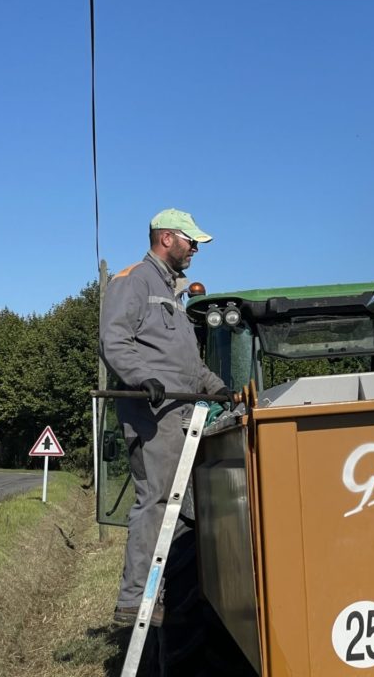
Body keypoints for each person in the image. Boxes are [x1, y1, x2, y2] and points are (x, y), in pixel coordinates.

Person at [100, 208, 231, 625]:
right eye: (191, 240)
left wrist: (216, 387)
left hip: (182, 412)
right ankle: (134, 600)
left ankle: (168, 591)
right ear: (167, 238)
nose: (195, 248)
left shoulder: (172, 293)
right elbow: (114, 341)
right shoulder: (134, 280)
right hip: (152, 413)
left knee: (181, 509)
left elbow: (185, 363)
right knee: (156, 499)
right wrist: (142, 378)